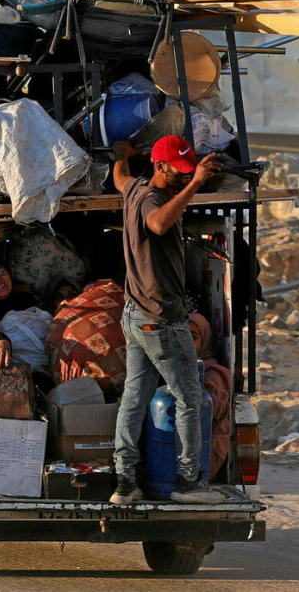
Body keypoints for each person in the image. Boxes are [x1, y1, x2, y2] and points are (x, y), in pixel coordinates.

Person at [110, 135, 225, 505]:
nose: (184, 177)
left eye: (188, 172)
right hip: (160, 319)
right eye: (180, 172)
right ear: (160, 166)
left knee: (134, 398)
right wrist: (195, 185)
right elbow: (158, 224)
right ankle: (189, 482)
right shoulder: (151, 200)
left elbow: (119, 176)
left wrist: (121, 154)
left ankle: (125, 482)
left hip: (134, 314)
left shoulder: (134, 188)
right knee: (190, 397)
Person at [188, 313, 232, 474]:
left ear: (205, 341)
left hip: (206, 455)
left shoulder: (214, 375)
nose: (185, 344)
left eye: (192, 338)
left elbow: (206, 413)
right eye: (180, 337)